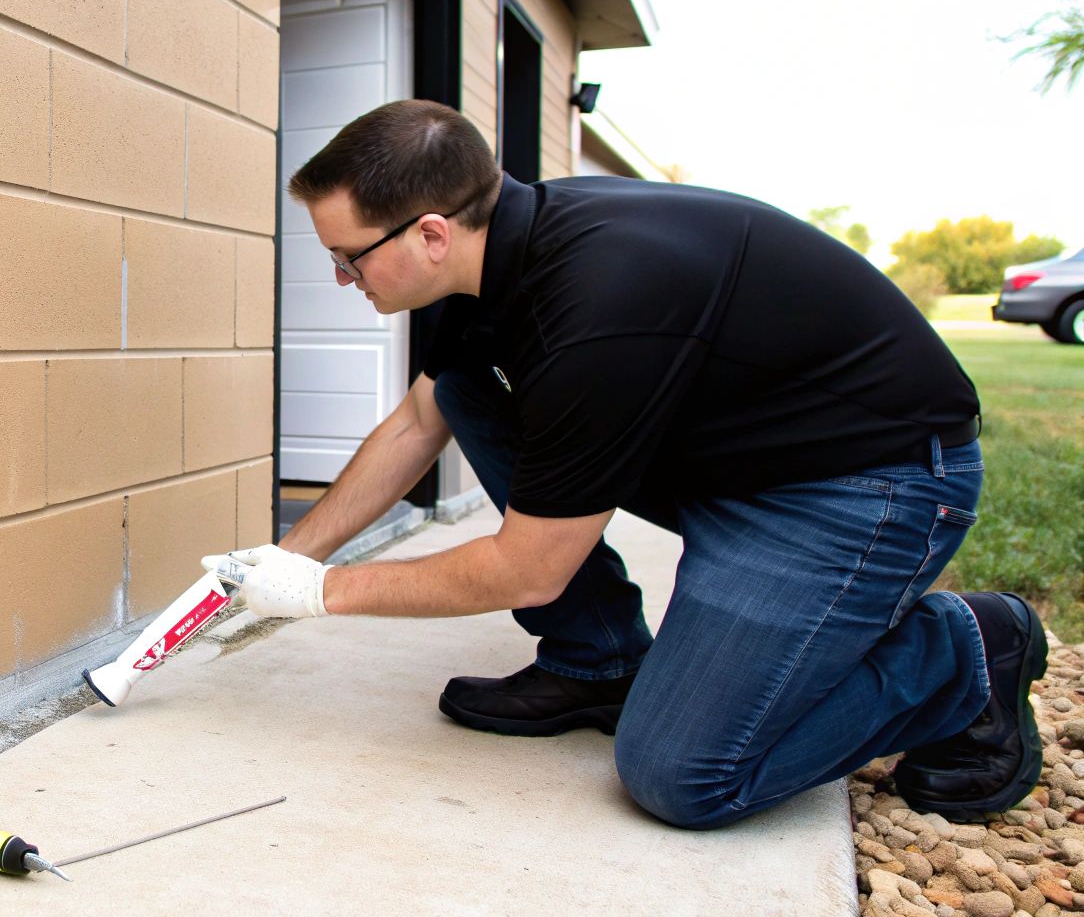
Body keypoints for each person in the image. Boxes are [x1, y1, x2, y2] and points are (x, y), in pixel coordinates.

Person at [203, 99, 1042, 829]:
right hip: (734, 461)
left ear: (429, 233)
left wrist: (321, 593)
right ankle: (596, 659)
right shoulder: (488, 266)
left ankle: (969, 648)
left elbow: (527, 568)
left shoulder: (601, 305)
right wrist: (288, 557)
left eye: (349, 257)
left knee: (684, 776)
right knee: (465, 392)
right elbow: (418, 422)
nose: (342, 277)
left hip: (861, 488)